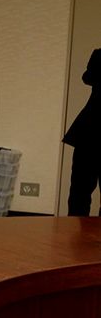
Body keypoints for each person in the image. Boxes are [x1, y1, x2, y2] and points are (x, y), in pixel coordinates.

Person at [64, 48, 100, 216]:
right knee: (80, 192)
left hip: (90, 130)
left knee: (80, 192)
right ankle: (75, 230)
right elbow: (87, 77)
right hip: (90, 131)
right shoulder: (99, 54)